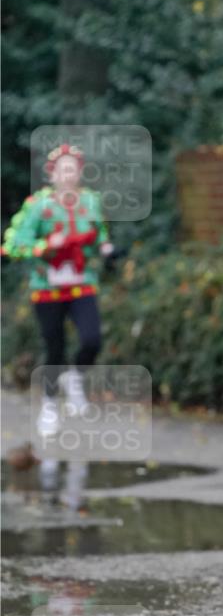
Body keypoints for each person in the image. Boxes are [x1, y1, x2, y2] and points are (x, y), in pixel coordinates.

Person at [2, 143, 118, 438]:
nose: (68, 175)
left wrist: (104, 247)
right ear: (52, 174)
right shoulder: (38, 206)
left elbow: (98, 233)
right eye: (63, 170)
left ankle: (76, 378)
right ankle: (50, 407)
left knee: (92, 339)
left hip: (81, 283)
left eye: (73, 169)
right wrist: (44, 246)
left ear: (80, 173)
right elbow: (13, 246)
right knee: (54, 348)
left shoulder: (90, 202)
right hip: (48, 288)